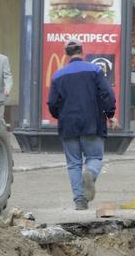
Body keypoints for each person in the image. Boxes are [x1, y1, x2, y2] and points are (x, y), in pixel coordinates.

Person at [48, 39, 117, 211]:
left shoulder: (58, 75)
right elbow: (107, 94)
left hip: (69, 125)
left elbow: (52, 103)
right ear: (82, 51)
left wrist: (61, 116)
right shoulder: (95, 70)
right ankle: (91, 174)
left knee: (73, 164)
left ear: (66, 54)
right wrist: (110, 114)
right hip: (92, 123)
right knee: (95, 158)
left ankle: (80, 200)